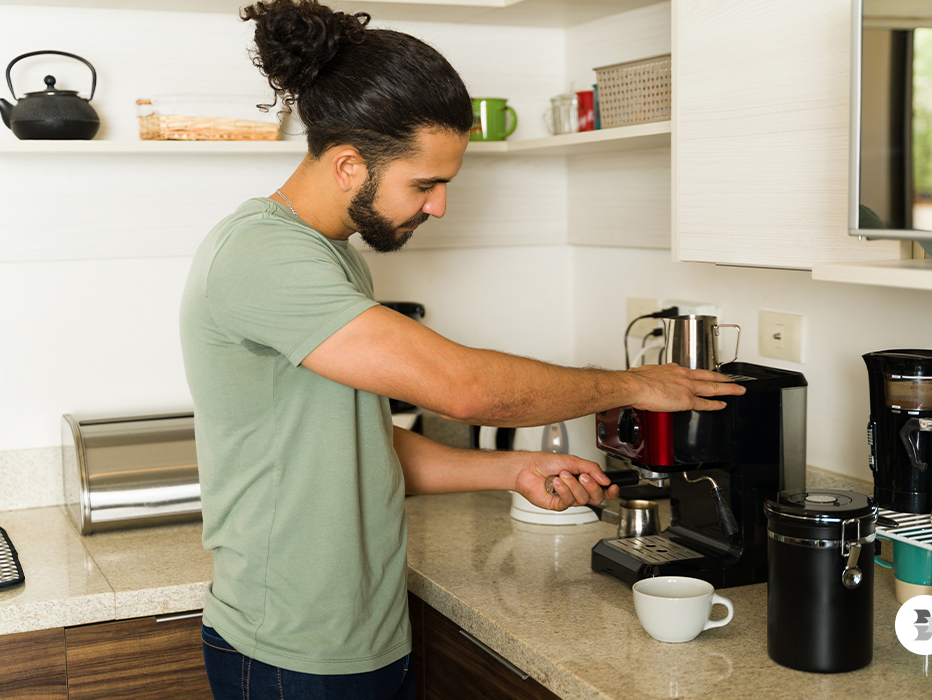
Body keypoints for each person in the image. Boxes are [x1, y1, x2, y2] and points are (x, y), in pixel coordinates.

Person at [179, 2, 745, 698]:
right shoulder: (261, 255)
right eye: (424, 184)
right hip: (289, 649)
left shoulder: (332, 256)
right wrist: (633, 385)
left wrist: (514, 469)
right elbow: (464, 389)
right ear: (349, 164)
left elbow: (354, 448)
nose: (439, 205)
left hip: (363, 633)